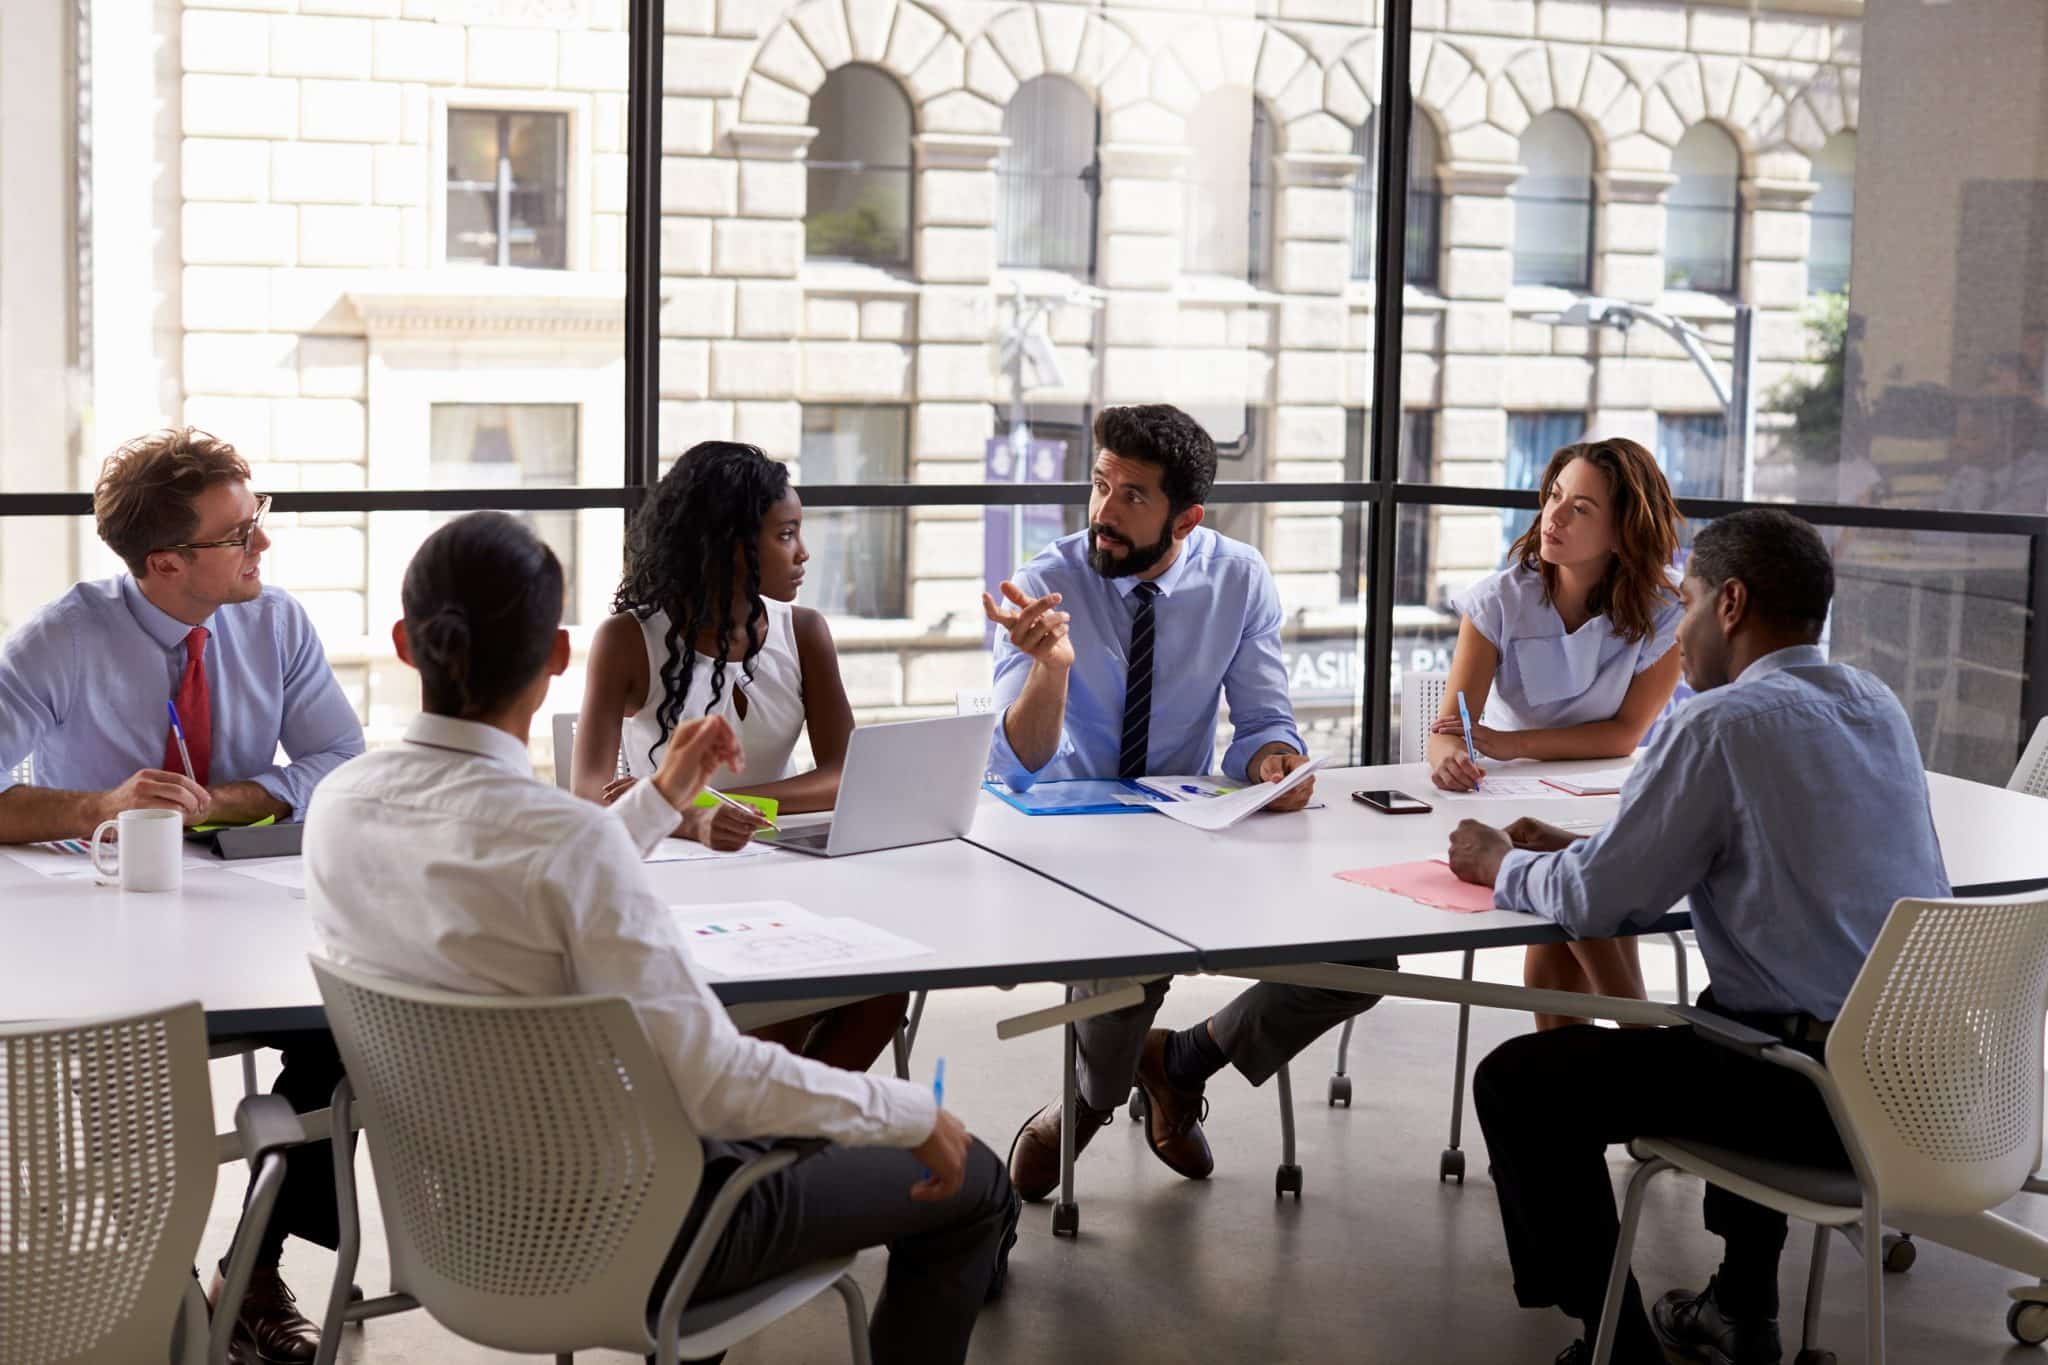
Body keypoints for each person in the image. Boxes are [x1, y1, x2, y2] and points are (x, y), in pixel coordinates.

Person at [306, 512, 1016, 1364]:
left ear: (403, 643)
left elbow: (551, 871)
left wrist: (663, 795)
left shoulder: (342, 803)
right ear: (558, 656)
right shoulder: (566, 841)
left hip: (455, 1227)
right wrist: (911, 1111)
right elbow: (715, 1083)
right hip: (638, 1233)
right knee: (976, 1182)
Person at [1446, 508, 1950, 1365]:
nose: (1676, 629)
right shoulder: (1876, 704)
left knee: (1520, 1084)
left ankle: (1620, 1346)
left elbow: (1598, 904)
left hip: (1812, 1098)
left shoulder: (1718, 722)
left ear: (1732, 603)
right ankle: (1742, 1310)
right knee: (1735, 1011)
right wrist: (1611, 844)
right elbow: (1783, 847)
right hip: (1922, 1077)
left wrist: (1497, 864)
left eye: (1687, 601)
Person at [0, 428, 366, 1363]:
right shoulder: (65, 635)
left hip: (247, 913)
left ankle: (250, 1270)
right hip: (105, 925)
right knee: (129, 1062)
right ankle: (153, 1285)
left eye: (258, 519)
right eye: (238, 533)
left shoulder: (274, 621)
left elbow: (343, 763)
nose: (262, 545)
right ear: (165, 563)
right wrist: (100, 802)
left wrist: (228, 799)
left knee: (347, 1025)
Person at [981, 403, 1392, 1200]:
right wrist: (1051, 668)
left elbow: (1264, 724)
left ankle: (1182, 1058)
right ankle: (1088, 1105)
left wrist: (1276, 760)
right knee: (1124, 962)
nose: (1104, 510)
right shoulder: (1042, 584)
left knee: (1365, 959)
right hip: (1071, 838)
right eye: (1100, 484)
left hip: (1186, 826)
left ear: (1187, 517)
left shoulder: (1238, 577)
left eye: (1132, 495)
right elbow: (1018, 760)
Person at [575, 441, 907, 1073]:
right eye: (785, 535)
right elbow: (588, 800)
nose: (804, 553)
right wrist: (688, 817)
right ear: (729, 543)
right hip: (671, 879)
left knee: (886, 990)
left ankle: (784, 1147)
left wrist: (730, 804)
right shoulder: (626, 641)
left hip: (782, 870)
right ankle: (767, 1147)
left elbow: (845, 775)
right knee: (780, 1002)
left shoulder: (804, 631)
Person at [1426, 437, 1684, 1029]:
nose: (1554, 517)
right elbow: (1449, 730)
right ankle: (1631, 1047)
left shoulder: (1667, 609)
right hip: (1517, 801)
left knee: (1569, 904)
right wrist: (1448, 758)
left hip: (1609, 796)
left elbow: (1623, 735)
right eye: (1554, 497)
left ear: (1624, 531)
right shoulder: (1499, 601)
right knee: (1569, 914)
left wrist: (1509, 744)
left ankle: (1609, 1060)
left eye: (1581, 508)